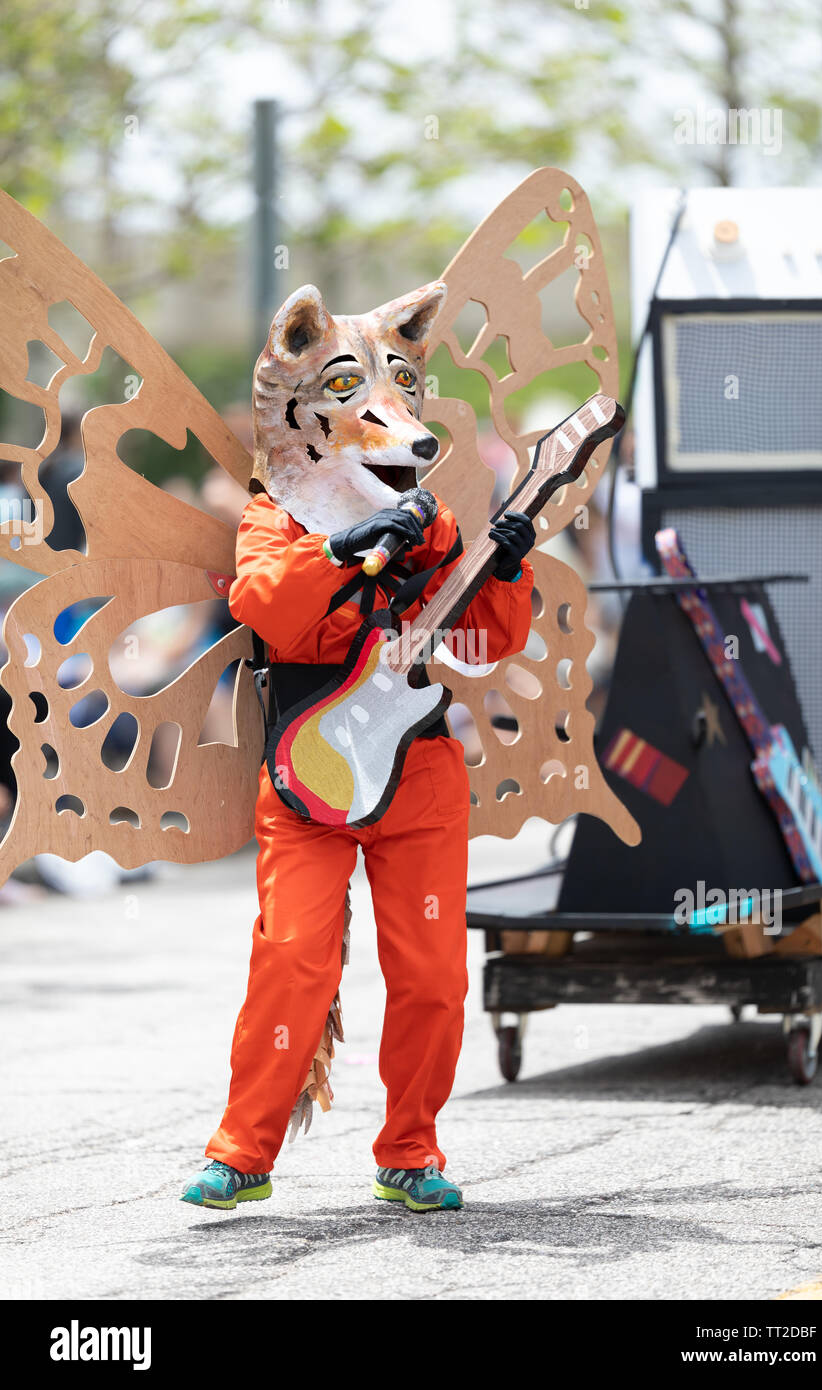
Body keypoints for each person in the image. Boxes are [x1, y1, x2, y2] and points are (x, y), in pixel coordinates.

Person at [181, 280, 536, 1213]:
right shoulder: (273, 518)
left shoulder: (433, 525)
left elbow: (485, 642)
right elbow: (269, 611)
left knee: (432, 976)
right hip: (305, 785)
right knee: (293, 959)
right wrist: (346, 551)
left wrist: (505, 566)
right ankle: (243, 1153)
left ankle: (411, 1151)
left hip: (417, 777)